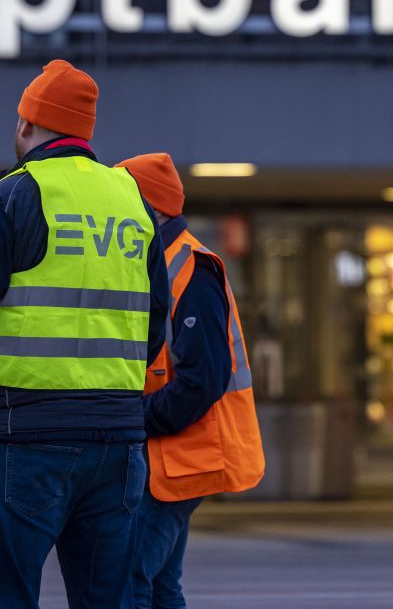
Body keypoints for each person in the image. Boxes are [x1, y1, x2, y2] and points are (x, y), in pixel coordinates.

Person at [0, 60, 169, 609]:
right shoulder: (130, 199)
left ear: (26, 124)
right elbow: (157, 316)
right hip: (117, 439)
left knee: (2, 597)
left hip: (23, 436)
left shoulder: (11, 198)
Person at [116, 153, 265, 609]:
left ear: (153, 209)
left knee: (129, 579)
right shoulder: (159, 264)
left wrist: (137, 420)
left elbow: (202, 380)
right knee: (159, 584)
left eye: (123, 201)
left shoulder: (191, 269)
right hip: (171, 457)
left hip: (179, 455)